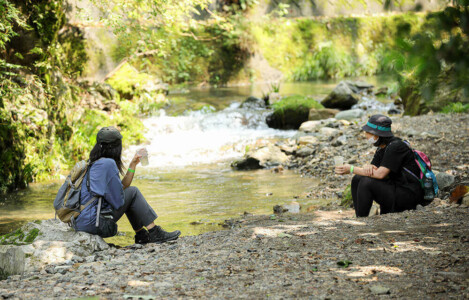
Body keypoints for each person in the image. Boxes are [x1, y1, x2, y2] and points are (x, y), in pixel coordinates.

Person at [73, 126, 181, 244]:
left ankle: (141, 235)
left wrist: (132, 165)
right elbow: (119, 201)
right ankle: (154, 232)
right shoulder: (108, 164)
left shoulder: (95, 162)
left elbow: (122, 188)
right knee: (133, 192)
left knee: (130, 193)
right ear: (115, 147)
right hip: (95, 224)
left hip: (82, 222)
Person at [335, 114, 424, 217]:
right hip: (394, 187)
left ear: (377, 134)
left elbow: (380, 174)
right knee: (358, 178)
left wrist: (351, 169)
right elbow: (372, 170)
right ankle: (359, 217)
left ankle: (362, 220)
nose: (366, 135)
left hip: (408, 194)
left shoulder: (395, 147)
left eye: (368, 132)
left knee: (366, 182)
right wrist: (367, 166)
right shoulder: (382, 148)